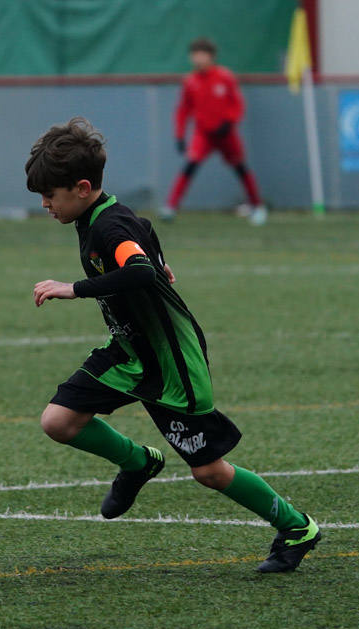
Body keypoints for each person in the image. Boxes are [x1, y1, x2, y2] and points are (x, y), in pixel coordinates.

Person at [28, 117, 321, 573]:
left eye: (50, 195)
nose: (45, 204)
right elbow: (144, 233)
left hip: (169, 361)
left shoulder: (108, 228)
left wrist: (75, 287)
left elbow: (138, 268)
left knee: (209, 472)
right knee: (59, 421)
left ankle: (297, 526)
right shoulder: (103, 217)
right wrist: (161, 261)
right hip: (129, 351)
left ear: (82, 188)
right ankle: (138, 462)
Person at [163, 37, 267, 225]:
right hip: (203, 134)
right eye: (195, 55)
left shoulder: (224, 77)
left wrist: (229, 122)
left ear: (211, 57)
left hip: (226, 134)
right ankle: (170, 207)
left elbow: (237, 103)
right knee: (190, 166)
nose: (198, 59)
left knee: (240, 168)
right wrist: (179, 135)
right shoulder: (190, 81)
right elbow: (183, 110)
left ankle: (257, 206)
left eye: (202, 55)